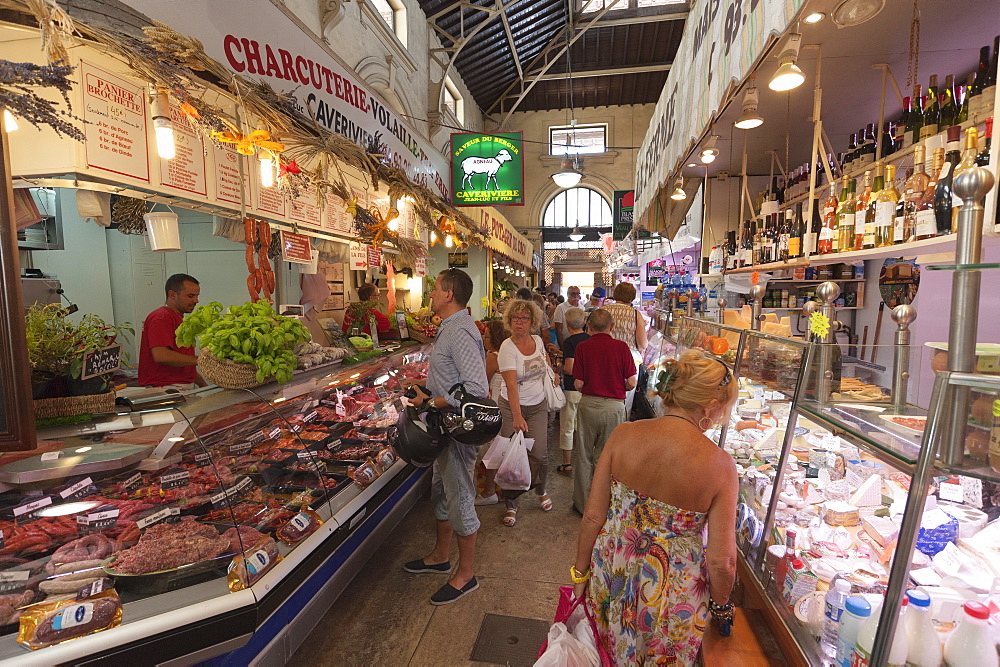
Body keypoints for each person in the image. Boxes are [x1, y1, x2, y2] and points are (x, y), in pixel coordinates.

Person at [572, 350, 739, 665]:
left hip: (612, 570)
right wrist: (721, 606)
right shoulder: (721, 466)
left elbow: (593, 516)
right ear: (711, 407)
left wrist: (579, 574)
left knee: (605, 653)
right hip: (671, 594)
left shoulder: (624, 434)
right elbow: (723, 562)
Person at [403, 269, 489, 605]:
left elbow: (476, 388)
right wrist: (430, 389)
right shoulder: (450, 327)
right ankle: (441, 556)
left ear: (449, 293)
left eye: (435, 288)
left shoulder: (460, 332)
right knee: (442, 492)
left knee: (460, 496)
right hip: (443, 427)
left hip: (457, 430)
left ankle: (466, 575)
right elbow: (453, 377)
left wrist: (433, 400)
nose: (431, 293)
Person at [496, 298, 555, 527]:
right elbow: (510, 385)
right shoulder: (507, 348)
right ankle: (511, 503)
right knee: (512, 457)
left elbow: (544, 359)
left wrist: (551, 372)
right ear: (509, 320)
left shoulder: (538, 340)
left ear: (533, 321)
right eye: (516, 318)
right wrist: (517, 415)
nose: (520, 322)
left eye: (524, 318)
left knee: (540, 454)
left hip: (538, 404)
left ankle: (540, 489)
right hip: (512, 408)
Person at [571, 308, 636, 514]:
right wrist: (620, 387)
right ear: (612, 326)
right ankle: (604, 506)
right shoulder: (622, 347)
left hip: (588, 405)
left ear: (588, 327)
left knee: (583, 455)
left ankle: (582, 505)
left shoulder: (582, 347)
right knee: (607, 458)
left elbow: (579, 383)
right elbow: (631, 382)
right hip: (614, 408)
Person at [138, 274, 207, 388]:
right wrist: (203, 360)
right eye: (190, 296)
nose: (196, 300)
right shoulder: (161, 317)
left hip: (179, 387)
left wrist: (202, 384)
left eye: (197, 295)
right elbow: (162, 356)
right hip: (165, 389)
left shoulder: (180, 319)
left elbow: (183, 362)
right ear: (172, 295)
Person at [475, 319, 510, 506]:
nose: (484, 339)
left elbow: (481, 384)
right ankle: (501, 490)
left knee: (491, 451)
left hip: (495, 408)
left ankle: (489, 491)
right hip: (506, 407)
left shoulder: (493, 357)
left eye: (487, 336)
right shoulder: (507, 353)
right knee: (501, 449)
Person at [603, 282, 649, 414]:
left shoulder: (604, 311)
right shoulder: (635, 314)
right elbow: (643, 343)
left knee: (605, 393)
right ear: (632, 297)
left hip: (605, 357)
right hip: (628, 359)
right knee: (625, 399)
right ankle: (620, 426)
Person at [557, 307, 588, 475]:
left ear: (567, 324)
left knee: (568, 426)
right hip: (588, 390)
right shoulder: (590, 339)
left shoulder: (570, 341)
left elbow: (569, 368)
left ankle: (567, 463)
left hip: (572, 388)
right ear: (584, 323)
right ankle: (585, 461)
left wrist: (561, 365)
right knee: (584, 428)